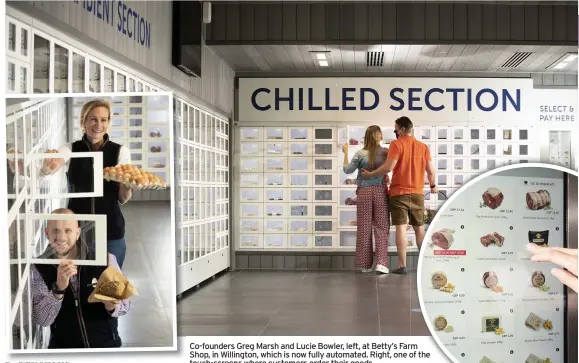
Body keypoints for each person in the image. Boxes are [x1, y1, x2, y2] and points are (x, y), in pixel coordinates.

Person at [39, 99, 132, 268]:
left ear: (108, 122)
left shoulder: (120, 152)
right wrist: (49, 165)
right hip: (77, 230)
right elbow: (52, 166)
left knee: (110, 283)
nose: (98, 124)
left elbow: (123, 198)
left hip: (111, 229)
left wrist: (127, 185)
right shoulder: (70, 148)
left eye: (103, 120)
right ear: (83, 121)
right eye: (93, 119)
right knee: (77, 281)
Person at [24, 208, 130, 348]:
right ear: (46, 233)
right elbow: (42, 320)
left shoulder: (105, 260)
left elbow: (125, 304)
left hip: (106, 347)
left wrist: (113, 306)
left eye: (68, 230)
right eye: (55, 230)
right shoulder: (38, 268)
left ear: (78, 233)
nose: (61, 237)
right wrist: (58, 290)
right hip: (64, 351)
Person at [361, 117, 436, 274]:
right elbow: (431, 170)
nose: (395, 132)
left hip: (399, 194)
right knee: (419, 229)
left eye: (395, 130)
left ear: (401, 129)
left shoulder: (397, 144)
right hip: (417, 193)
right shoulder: (423, 147)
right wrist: (433, 186)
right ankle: (427, 265)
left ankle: (402, 266)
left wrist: (370, 175)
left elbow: (388, 167)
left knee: (401, 229)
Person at [342, 125, 390, 274]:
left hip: (363, 193)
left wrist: (345, 153)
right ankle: (381, 264)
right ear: (380, 136)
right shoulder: (386, 153)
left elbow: (347, 170)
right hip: (380, 192)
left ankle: (365, 264)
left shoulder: (359, 154)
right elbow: (392, 167)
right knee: (381, 228)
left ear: (366, 138)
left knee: (364, 228)